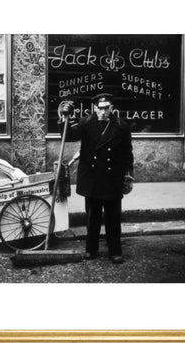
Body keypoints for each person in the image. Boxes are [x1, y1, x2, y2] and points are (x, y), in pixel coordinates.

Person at [59, 93, 134, 264]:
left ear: (111, 108)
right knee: (92, 217)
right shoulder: (86, 122)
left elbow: (127, 153)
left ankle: (115, 250)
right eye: (99, 108)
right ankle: (91, 249)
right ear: (94, 108)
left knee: (113, 218)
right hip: (92, 178)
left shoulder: (121, 126)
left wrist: (128, 175)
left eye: (106, 108)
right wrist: (64, 116)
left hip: (113, 178)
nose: (103, 111)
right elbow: (68, 135)